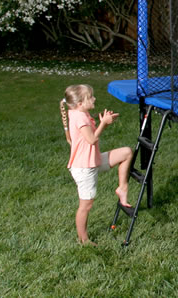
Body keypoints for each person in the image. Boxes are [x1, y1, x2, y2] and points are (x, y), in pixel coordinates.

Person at [60, 84, 133, 245]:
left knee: (127, 152)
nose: (94, 98)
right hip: (85, 168)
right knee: (86, 205)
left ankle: (122, 188)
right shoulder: (80, 117)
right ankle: (84, 239)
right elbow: (92, 140)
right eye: (90, 97)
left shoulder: (79, 112)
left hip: (93, 161)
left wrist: (102, 122)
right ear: (79, 103)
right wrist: (104, 124)